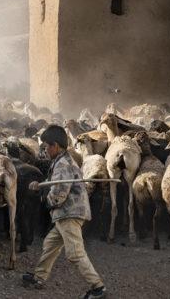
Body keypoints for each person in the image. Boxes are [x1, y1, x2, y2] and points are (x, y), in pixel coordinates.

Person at [22, 125, 106, 298]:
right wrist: (40, 186)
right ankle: (39, 277)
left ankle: (98, 288)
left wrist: (42, 196)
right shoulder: (61, 161)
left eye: (46, 147)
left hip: (69, 214)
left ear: (55, 146)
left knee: (75, 253)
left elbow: (58, 194)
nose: (44, 150)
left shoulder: (62, 164)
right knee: (50, 244)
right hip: (64, 214)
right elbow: (54, 184)